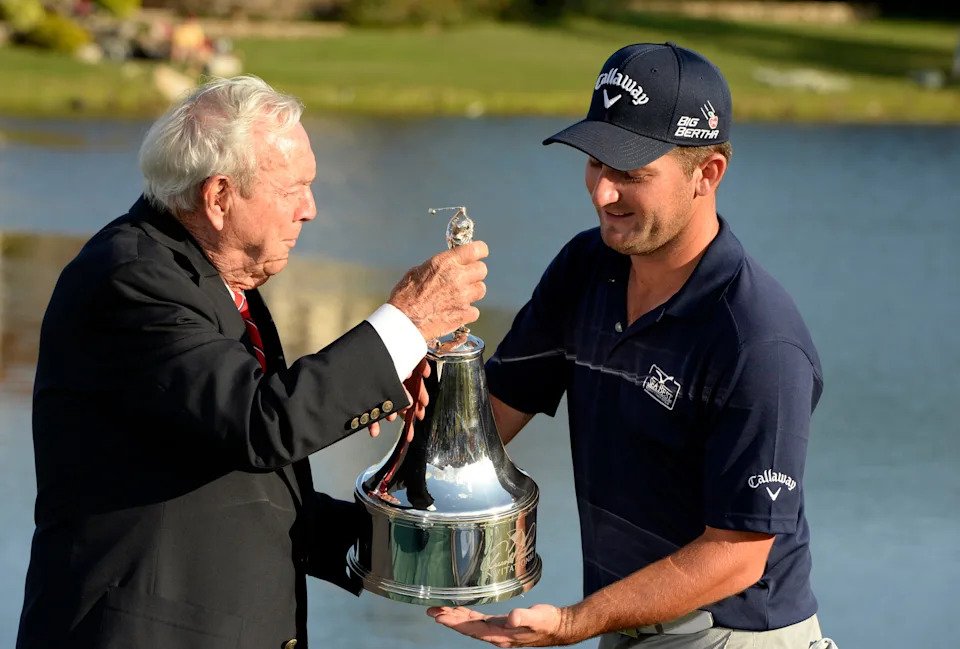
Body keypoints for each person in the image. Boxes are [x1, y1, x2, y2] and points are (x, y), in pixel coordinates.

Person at [15, 75, 488, 649]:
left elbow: (253, 492)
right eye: (295, 189)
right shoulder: (131, 279)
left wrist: (423, 553)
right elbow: (264, 423)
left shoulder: (220, 281)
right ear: (218, 197)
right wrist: (404, 323)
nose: (310, 210)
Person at [427, 42, 837, 649]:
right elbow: (488, 418)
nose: (601, 194)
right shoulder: (585, 268)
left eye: (631, 174)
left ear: (708, 174)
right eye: (596, 163)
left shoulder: (758, 342)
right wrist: (398, 399)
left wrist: (573, 623)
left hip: (731, 636)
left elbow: (737, 555)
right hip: (626, 626)